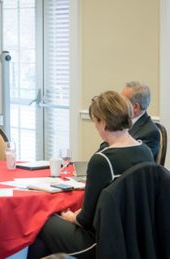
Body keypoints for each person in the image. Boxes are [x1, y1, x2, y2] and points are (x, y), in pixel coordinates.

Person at [29, 91, 154, 259]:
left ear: (102, 122)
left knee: (41, 221)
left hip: (101, 242)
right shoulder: (145, 152)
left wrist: (71, 216)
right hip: (135, 237)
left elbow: (85, 221)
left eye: (95, 121)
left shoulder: (102, 160)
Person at [100, 81, 160, 158]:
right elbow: (104, 146)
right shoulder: (119, 120)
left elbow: (133, 160)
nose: (118, 104)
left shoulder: (151, 133)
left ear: (135, 107)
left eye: (122, 101)